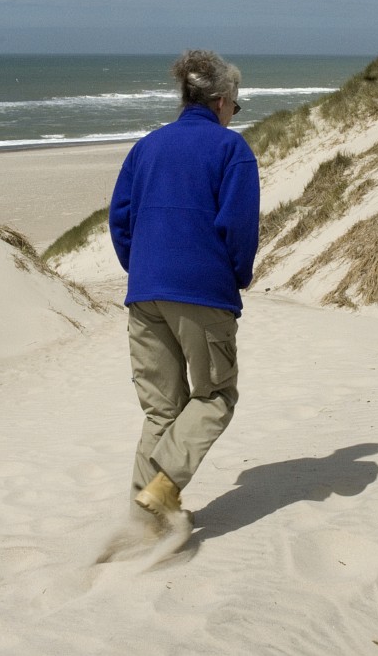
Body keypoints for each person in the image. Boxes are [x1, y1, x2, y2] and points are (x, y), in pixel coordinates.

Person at [108, 49, 260, 531]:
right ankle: (162, 487)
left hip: (145, 290)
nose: (233, 115)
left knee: (162, 411)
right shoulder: (230, 149)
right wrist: (236, 276)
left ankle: (145, 524)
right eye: (235, 106)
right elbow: (238, 227)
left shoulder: (146, 147)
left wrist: (142, 269)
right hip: (201, 291)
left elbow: (120, 220)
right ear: (221, 101)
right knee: (216, 395)